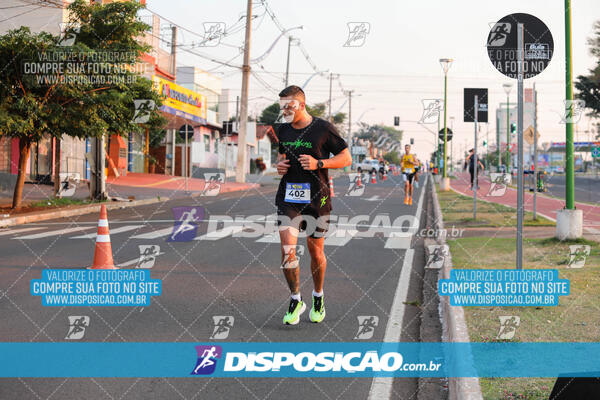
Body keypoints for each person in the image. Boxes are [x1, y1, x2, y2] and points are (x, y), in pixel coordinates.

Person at [275, 85, 352, 325]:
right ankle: (295, 298)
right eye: (282, 106)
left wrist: (320, 163)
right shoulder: (282, 130)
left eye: (289, 106)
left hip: (317, 199)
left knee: (315, 251)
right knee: (288, 250)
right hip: (288, 197)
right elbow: (282, 158)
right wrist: (280, 167)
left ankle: (318, 296)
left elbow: (346, 158)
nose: (285, 110)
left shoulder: (323, 128)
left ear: (302, 105)